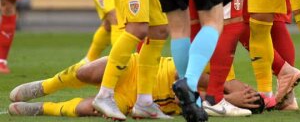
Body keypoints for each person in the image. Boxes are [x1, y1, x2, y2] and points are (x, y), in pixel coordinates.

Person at [8, 54, 265, 118]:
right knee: (89, 71)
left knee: (88, 109)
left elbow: (182, 102)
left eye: (250, 99)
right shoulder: (223, 71)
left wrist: (229, 103)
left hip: (140, 100)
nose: (248, 94)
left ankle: (43, 108)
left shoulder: (221, 106)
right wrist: (228, 98)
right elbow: (180, 77)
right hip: (139, 68)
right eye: (251, 93)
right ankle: (46, 86)